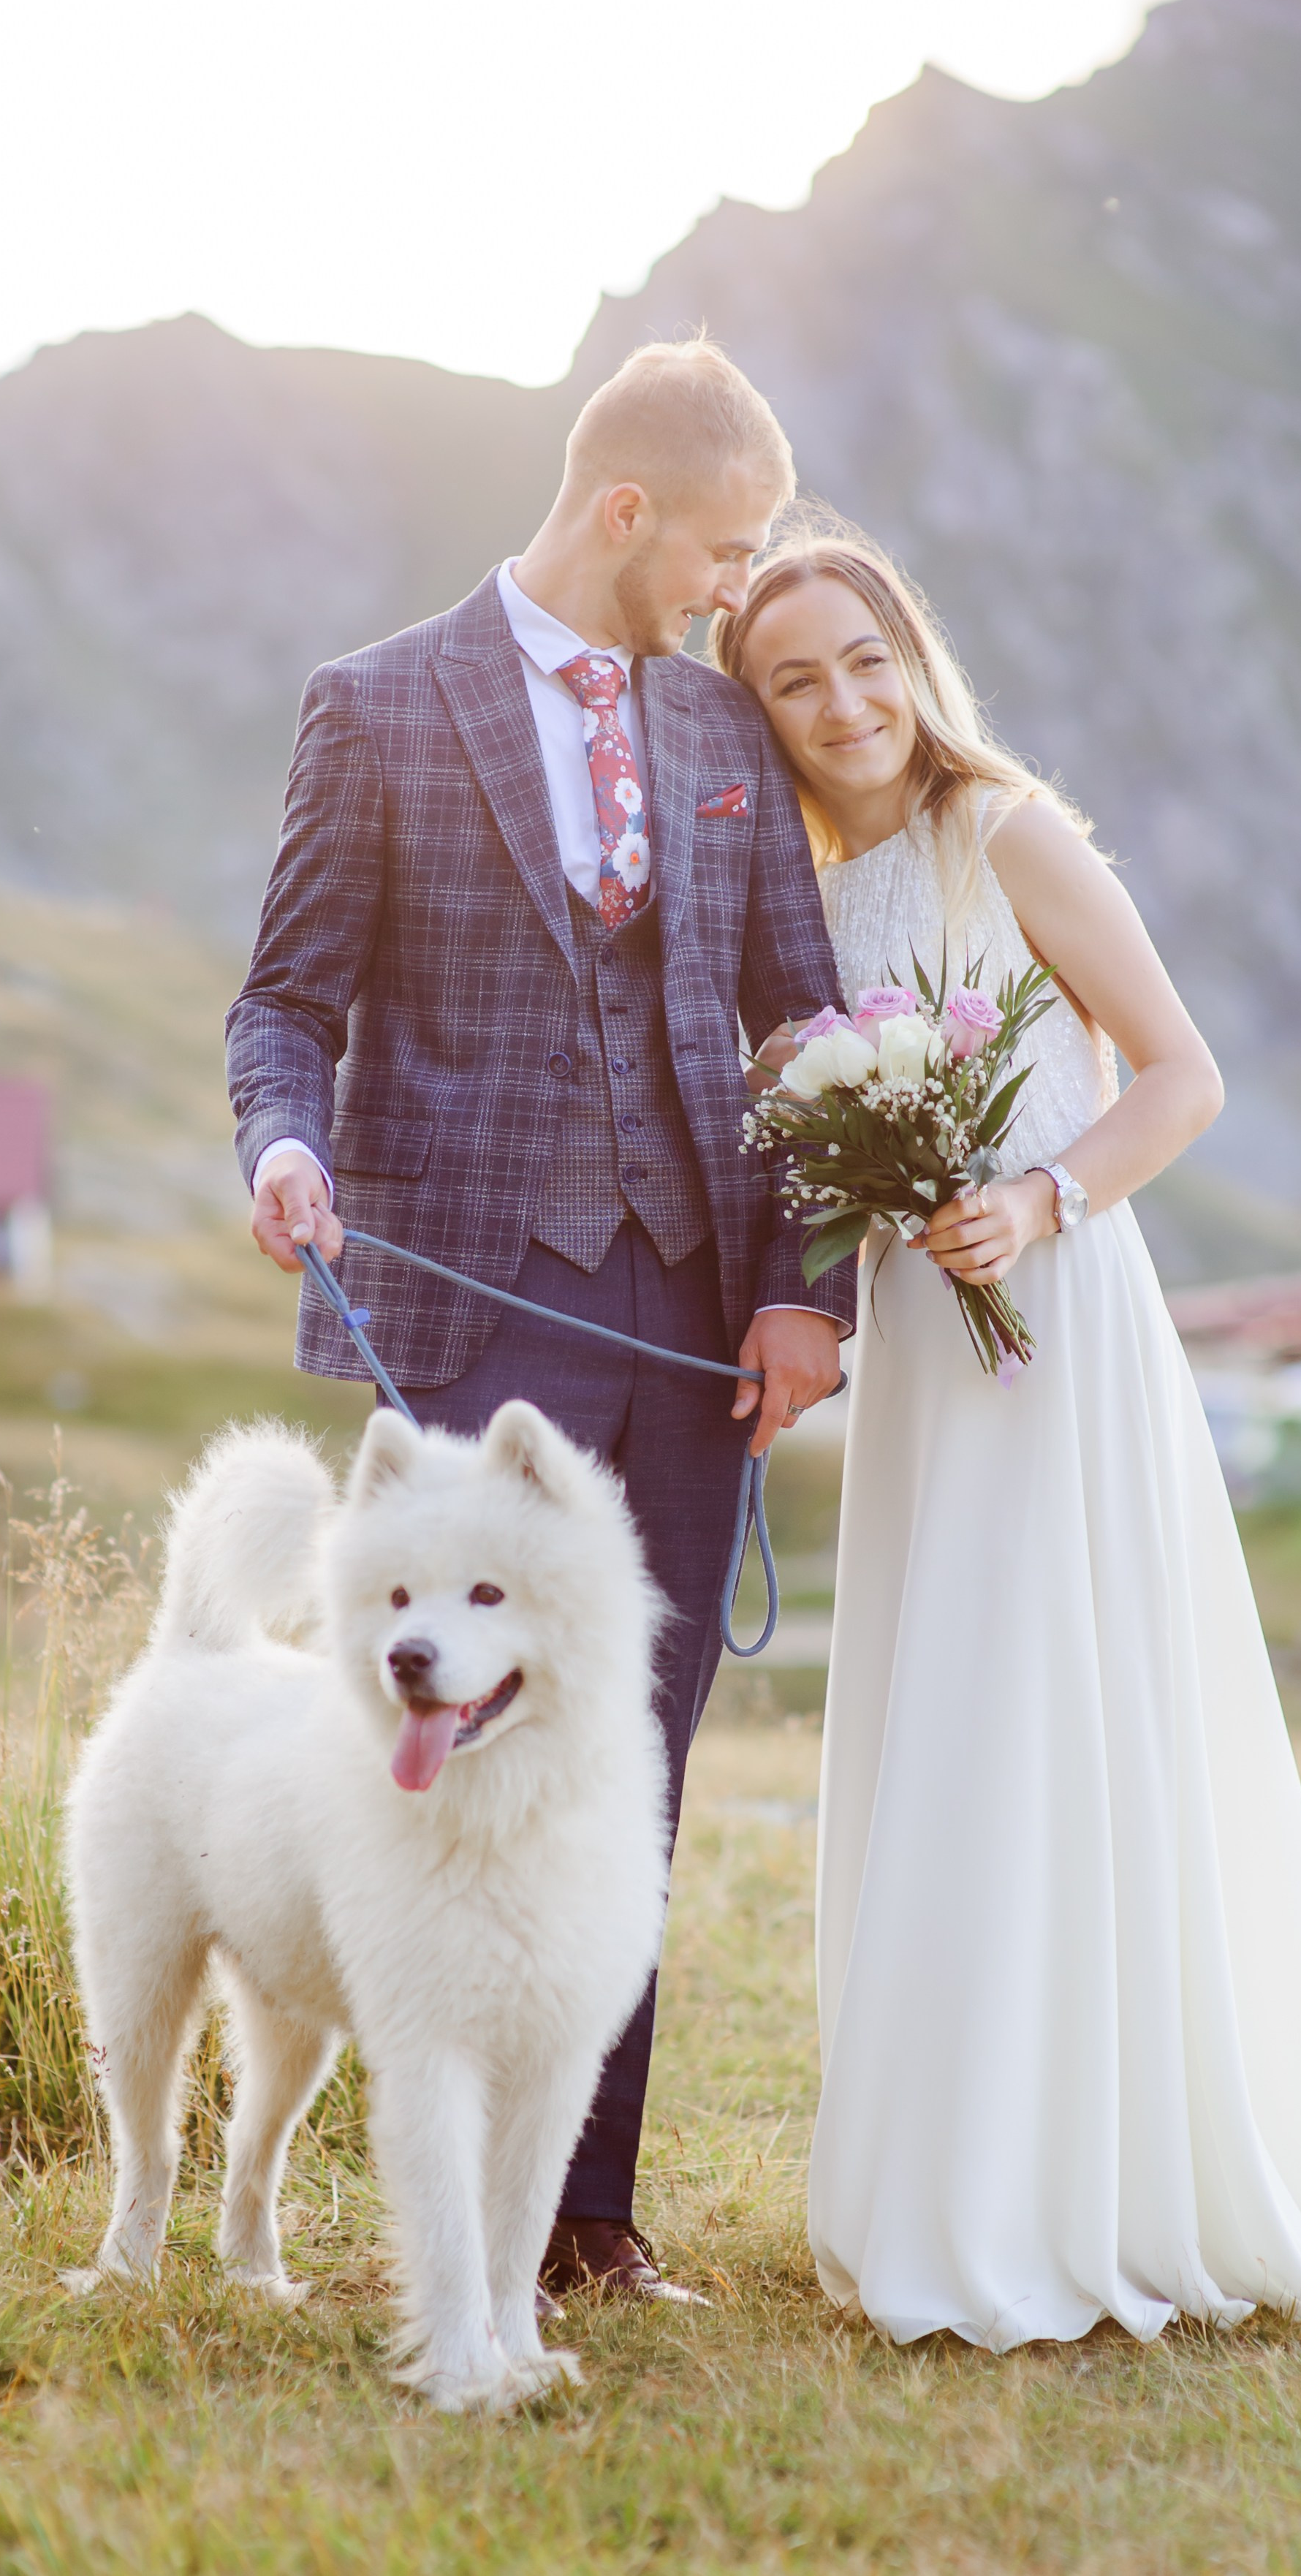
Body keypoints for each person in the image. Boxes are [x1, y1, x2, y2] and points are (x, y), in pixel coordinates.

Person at [716, 527, 1301, 2349]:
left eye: (864, 659)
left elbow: (1183, 1072)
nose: (844, 703)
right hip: (925, 1352)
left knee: (1069, 1701)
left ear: (913, 654)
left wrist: (1041, 1198)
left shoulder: (1008, 833)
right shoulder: (799, 899)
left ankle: (1118, 2173)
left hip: (1062, 1321)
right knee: (954, 1713)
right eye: (794, 681)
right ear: (762, 714)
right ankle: (959, 2171)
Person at [227, 344, 855, 2301]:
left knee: (629, 1761)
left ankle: (583, 2219)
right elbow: (283, 1002)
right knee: (448, 1753)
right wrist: (278, 1146)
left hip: (687, 1313)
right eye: (724, 551)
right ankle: (440, 2196)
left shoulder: (719, 735)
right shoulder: (380, 706)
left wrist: (798, 1289)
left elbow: (805, 1029)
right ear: (621, 515)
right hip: (471, 1324)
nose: (733, 592)